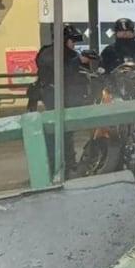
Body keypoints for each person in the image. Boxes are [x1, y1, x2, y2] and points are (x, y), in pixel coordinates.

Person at [33, 24, 92, 176]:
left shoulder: (68, 55)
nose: (74, 45)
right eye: (72, 41)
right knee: (56, 134)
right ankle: (56, 167)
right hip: (53, 100)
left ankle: (67, 164)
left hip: (66, 100)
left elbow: (76, 76)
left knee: (67, 133)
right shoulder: (50, 54)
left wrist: (84, 64)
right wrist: (78, 62)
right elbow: (58, 70)